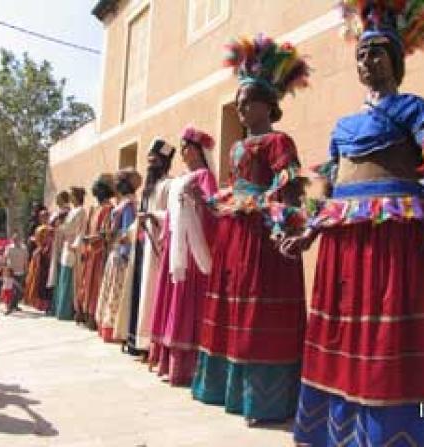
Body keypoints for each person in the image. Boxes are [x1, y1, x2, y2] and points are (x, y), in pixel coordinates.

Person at [284, 2, 424, 445]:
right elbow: (330, 187)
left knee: (389, 343)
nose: (366, 60)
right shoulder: (342, 126)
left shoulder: (413, 109)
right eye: (360, 54)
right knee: (346, 341)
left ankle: (405, 433)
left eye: (375, 52)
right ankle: (340, 433)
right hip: (343, 246)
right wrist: (309, 231)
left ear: (395, 60)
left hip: (394, 241)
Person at [190, 34, 311, 424]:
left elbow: (289, 185)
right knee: (232, 305)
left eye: (248, 102)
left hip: (263, 236)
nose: (241, 109)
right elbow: (234, 187)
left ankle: (266, 401)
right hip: (234, 236)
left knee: (260, 310)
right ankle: (228, 390)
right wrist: (212, 199)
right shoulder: (236, 148)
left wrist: (273, 216)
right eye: (238, 103)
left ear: (268, 105)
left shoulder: (279, 140)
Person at [149, 126, 217, 385]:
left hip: (191, 249)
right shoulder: (179, 180)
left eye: (187, 147)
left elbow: (214, 208)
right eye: (183, 147)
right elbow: (171, 213)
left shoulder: (204, 177)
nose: (184, 152)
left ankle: (187, 365)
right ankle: (166, 360)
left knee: (186, 301)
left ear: (198, 150)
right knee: (171, 299)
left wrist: (200, 201)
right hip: (174, 246)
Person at [126, 139, 174, 356]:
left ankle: (150, 344)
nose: (150, 165)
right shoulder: (149, 188)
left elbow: (171, 216)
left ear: (164, 162)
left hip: (157, 244)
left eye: (155, 161)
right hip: (142, 243)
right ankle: (137, 341)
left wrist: (153, 216)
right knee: (140, 291)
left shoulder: (169, 185)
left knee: (152, 291)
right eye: (149, 161)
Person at [96, 168, 142, 342]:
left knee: (115, 291)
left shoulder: (127, 205)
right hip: (118, 254)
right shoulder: (128, 205)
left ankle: (111, 326)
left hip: (118, 254)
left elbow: (126, 230)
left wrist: (123, 251)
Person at [76, 174, 116, 329]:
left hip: (100, 253)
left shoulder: (109, 209)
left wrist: (93, 238)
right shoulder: (94, 209)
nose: (95, 191)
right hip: (89, 252)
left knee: (96, 285)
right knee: (86, 285)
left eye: (98, 188)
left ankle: (94, 318)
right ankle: (85, 314)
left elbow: (107, 232)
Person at [54, 187, 87, 320]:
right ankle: (61, 309)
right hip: (66, 245)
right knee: (64, 276)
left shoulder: (81, 211)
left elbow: (81, 229)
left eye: (73, 195)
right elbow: (66, 227)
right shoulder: (72, 211)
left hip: (73, 245)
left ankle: (68, 310)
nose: (71, 197)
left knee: (70, 278)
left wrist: (76, 244)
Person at [46, 190, 71, 315]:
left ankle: (57, 305)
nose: (56, 200)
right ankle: (53, 304)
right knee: (54, 274)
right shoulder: (58, 212)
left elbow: (62, 227)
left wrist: (53, 228)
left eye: (58, 198)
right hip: (54, 245)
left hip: (60, 246)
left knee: (58, 273)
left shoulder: (66, 212)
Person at [23, 223, 52, 312]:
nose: (45, 237)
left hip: (45, 271)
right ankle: (40, 304)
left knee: (44, 287)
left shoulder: (47, 247)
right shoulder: (37, 248)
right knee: (39, 286)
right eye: (43, 236)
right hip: (39, 271)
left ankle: (44, 304)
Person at [1, 233, 28, 312]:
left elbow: (25, 260)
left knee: (19, 291)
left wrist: (26, 270)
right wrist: (4, 269)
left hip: (20, 272)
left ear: (20, 239)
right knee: (10, 290)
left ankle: (14, 305)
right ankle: (10, 306)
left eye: (17, 239)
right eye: (14, 239)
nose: (16, 240)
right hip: (11, 272)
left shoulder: (24, 248)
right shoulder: (9, 248)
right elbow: (5, 258)